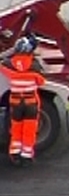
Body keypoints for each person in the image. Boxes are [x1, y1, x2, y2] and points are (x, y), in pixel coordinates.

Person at [1, 36, 45, 166]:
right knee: (29, 130)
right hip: (30, 102)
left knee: (16, 128)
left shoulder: (9, 65)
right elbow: (41, 81)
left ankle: (14, 154)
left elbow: (2, 64)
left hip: (15, 102)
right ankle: (26, 156)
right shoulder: (34, 65)